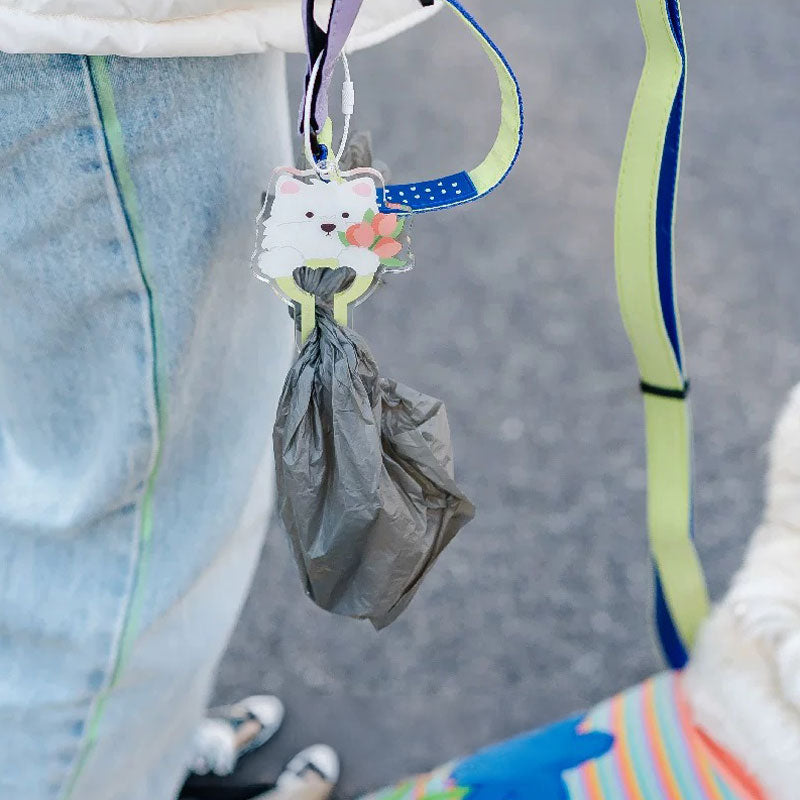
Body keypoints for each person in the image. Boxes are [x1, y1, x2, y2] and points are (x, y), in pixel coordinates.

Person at [0, 2, 438, 798]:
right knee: (136, 520)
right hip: (112, 43)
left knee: (84, 468)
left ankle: (116, 752)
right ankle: (85, 769)